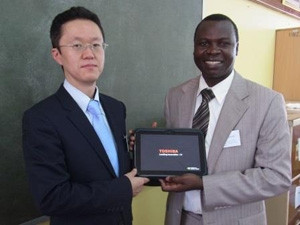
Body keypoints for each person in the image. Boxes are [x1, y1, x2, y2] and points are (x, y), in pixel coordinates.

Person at [159, 14, 291, 225]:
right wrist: (148, 151)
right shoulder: (175, 96)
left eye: (223, 43)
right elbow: (176, 156)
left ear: (237, 48)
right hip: (180, 218)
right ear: (194, 48)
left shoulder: (267, 102)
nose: (212, 51)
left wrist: (204, 184)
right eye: (204, 43)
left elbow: (276, 177)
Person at [22, 6, 149, 225]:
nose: (89, 53)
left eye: (96, 45)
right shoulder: (41, 118)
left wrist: (144, 154)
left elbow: (108, 168)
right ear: (57, 55)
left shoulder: (115, 108)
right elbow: (52, 198)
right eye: (77, 45)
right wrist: (122, 189)